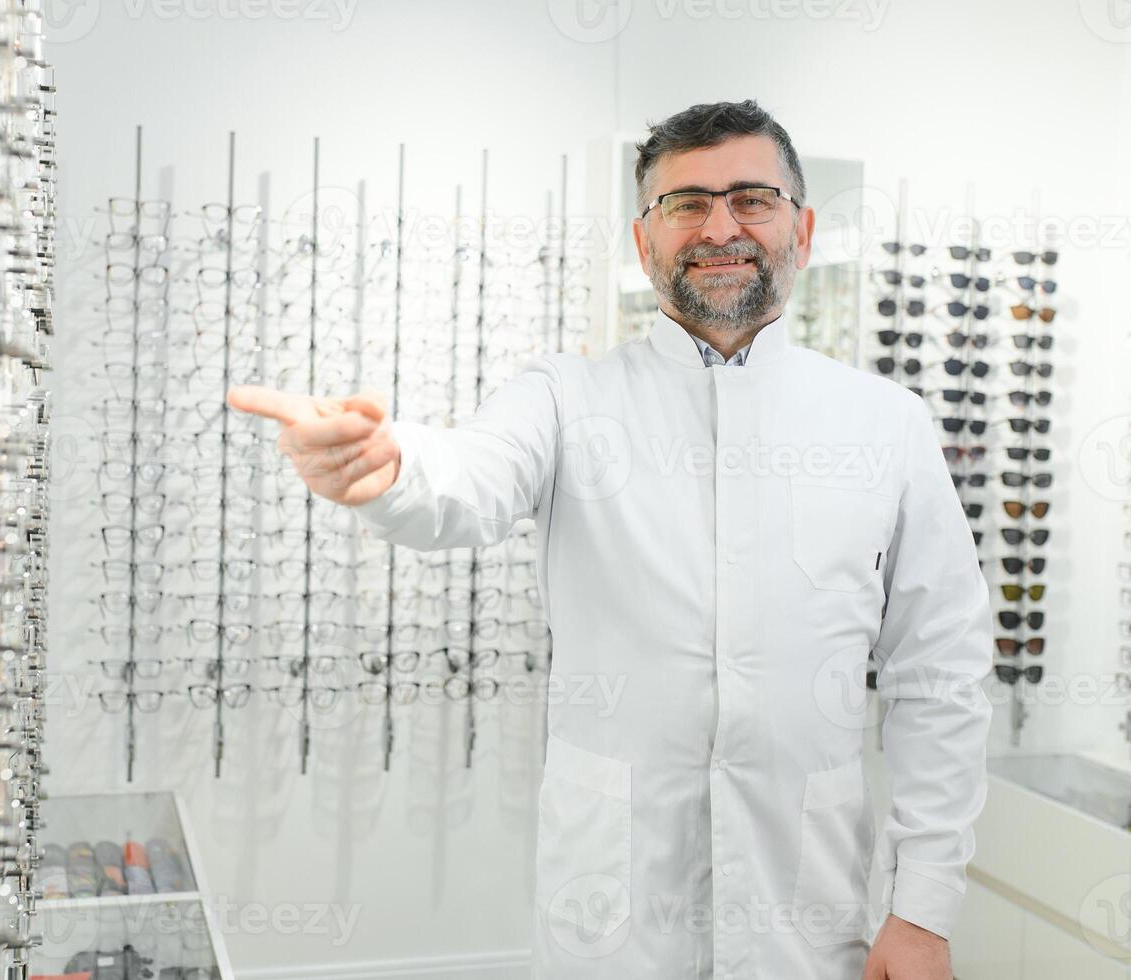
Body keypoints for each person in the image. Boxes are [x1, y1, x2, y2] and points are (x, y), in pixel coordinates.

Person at [228, 99, 991, 980]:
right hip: (612, 914)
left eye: (751, 199)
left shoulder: (885, 424)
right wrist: (386, 467)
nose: (719, 227)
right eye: (685, 204)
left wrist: (922, 907)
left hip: (809, 909)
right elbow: (465, 480)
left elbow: (939, 673)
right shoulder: (563, 396)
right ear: (643, 240)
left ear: (802, 227)